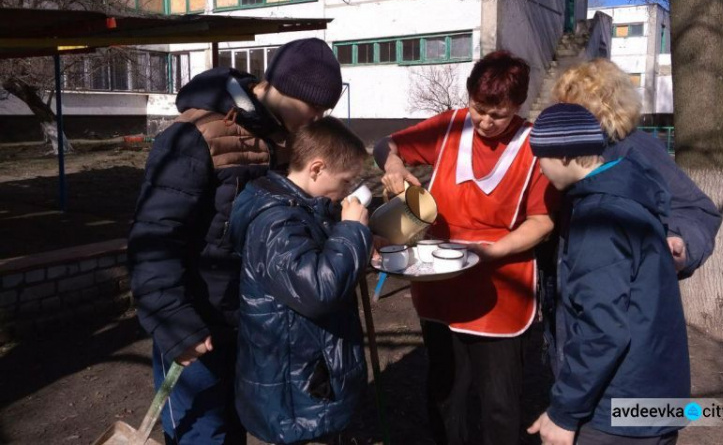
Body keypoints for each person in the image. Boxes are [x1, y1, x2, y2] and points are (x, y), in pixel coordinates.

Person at [127, 38, 343, 444]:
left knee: (236, 429)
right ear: (282, 86)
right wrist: (174, 322)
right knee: (203, 435)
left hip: (253, 325)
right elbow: (154, 238)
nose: (317, 118)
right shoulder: (195, 136)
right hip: (196, 325)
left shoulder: (285, 140)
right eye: (314, 107)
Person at [373, 50, 559, 445]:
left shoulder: (533, 146)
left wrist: (491, 252)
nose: (487, 122)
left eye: (499, 114)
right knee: (445, 392)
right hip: (439, 284)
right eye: (479, 109)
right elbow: (386, 145)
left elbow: (542, 222)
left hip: (501, 295)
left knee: (499, 404)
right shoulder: (451, 127)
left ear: (518, 106)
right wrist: (393, 167)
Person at [527, 103, 689, 445]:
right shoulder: (631, 197)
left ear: (565, 156)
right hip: (657, 397)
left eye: (540, 158)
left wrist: (563, 414)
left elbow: (602, 330)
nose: (539, 171)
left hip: (619, 411)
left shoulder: (599, 219)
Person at [228, 116, 372, 444]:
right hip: (294, 393)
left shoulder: (301, 207)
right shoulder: (276, 223)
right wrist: (352, 232)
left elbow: (316, 256)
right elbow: (318, 290)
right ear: (317, 169)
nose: (347, 191)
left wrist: (359, 243)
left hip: (304, 378)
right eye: (346, 181)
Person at [552, 58, 721, 277]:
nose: (561, 118)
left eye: (572, 109)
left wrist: (679, 241)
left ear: (603, 108)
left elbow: (696, 209)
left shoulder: (634, 149)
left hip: (621, 291)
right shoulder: (567, 149)